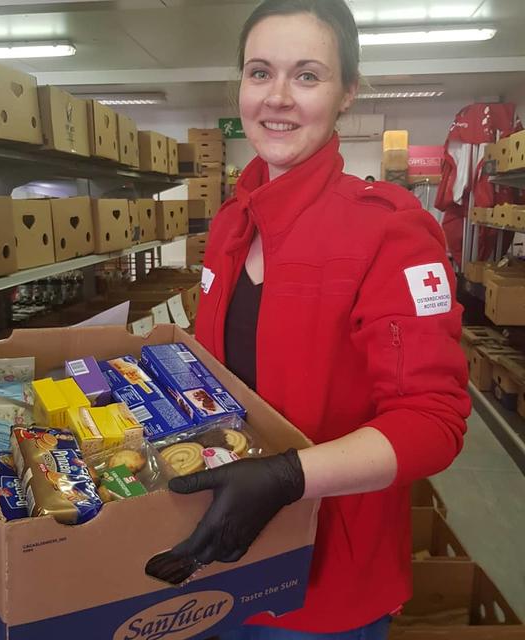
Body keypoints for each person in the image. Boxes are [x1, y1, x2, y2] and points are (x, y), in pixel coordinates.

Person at [166, 1, 471, 639]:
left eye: (307, 76)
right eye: (259, 73)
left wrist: (286, 477)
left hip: (324, 583)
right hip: (218, 557)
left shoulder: (389, 229)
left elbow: (433, 422)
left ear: (346, 92)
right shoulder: (229, 223)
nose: (277, 97)